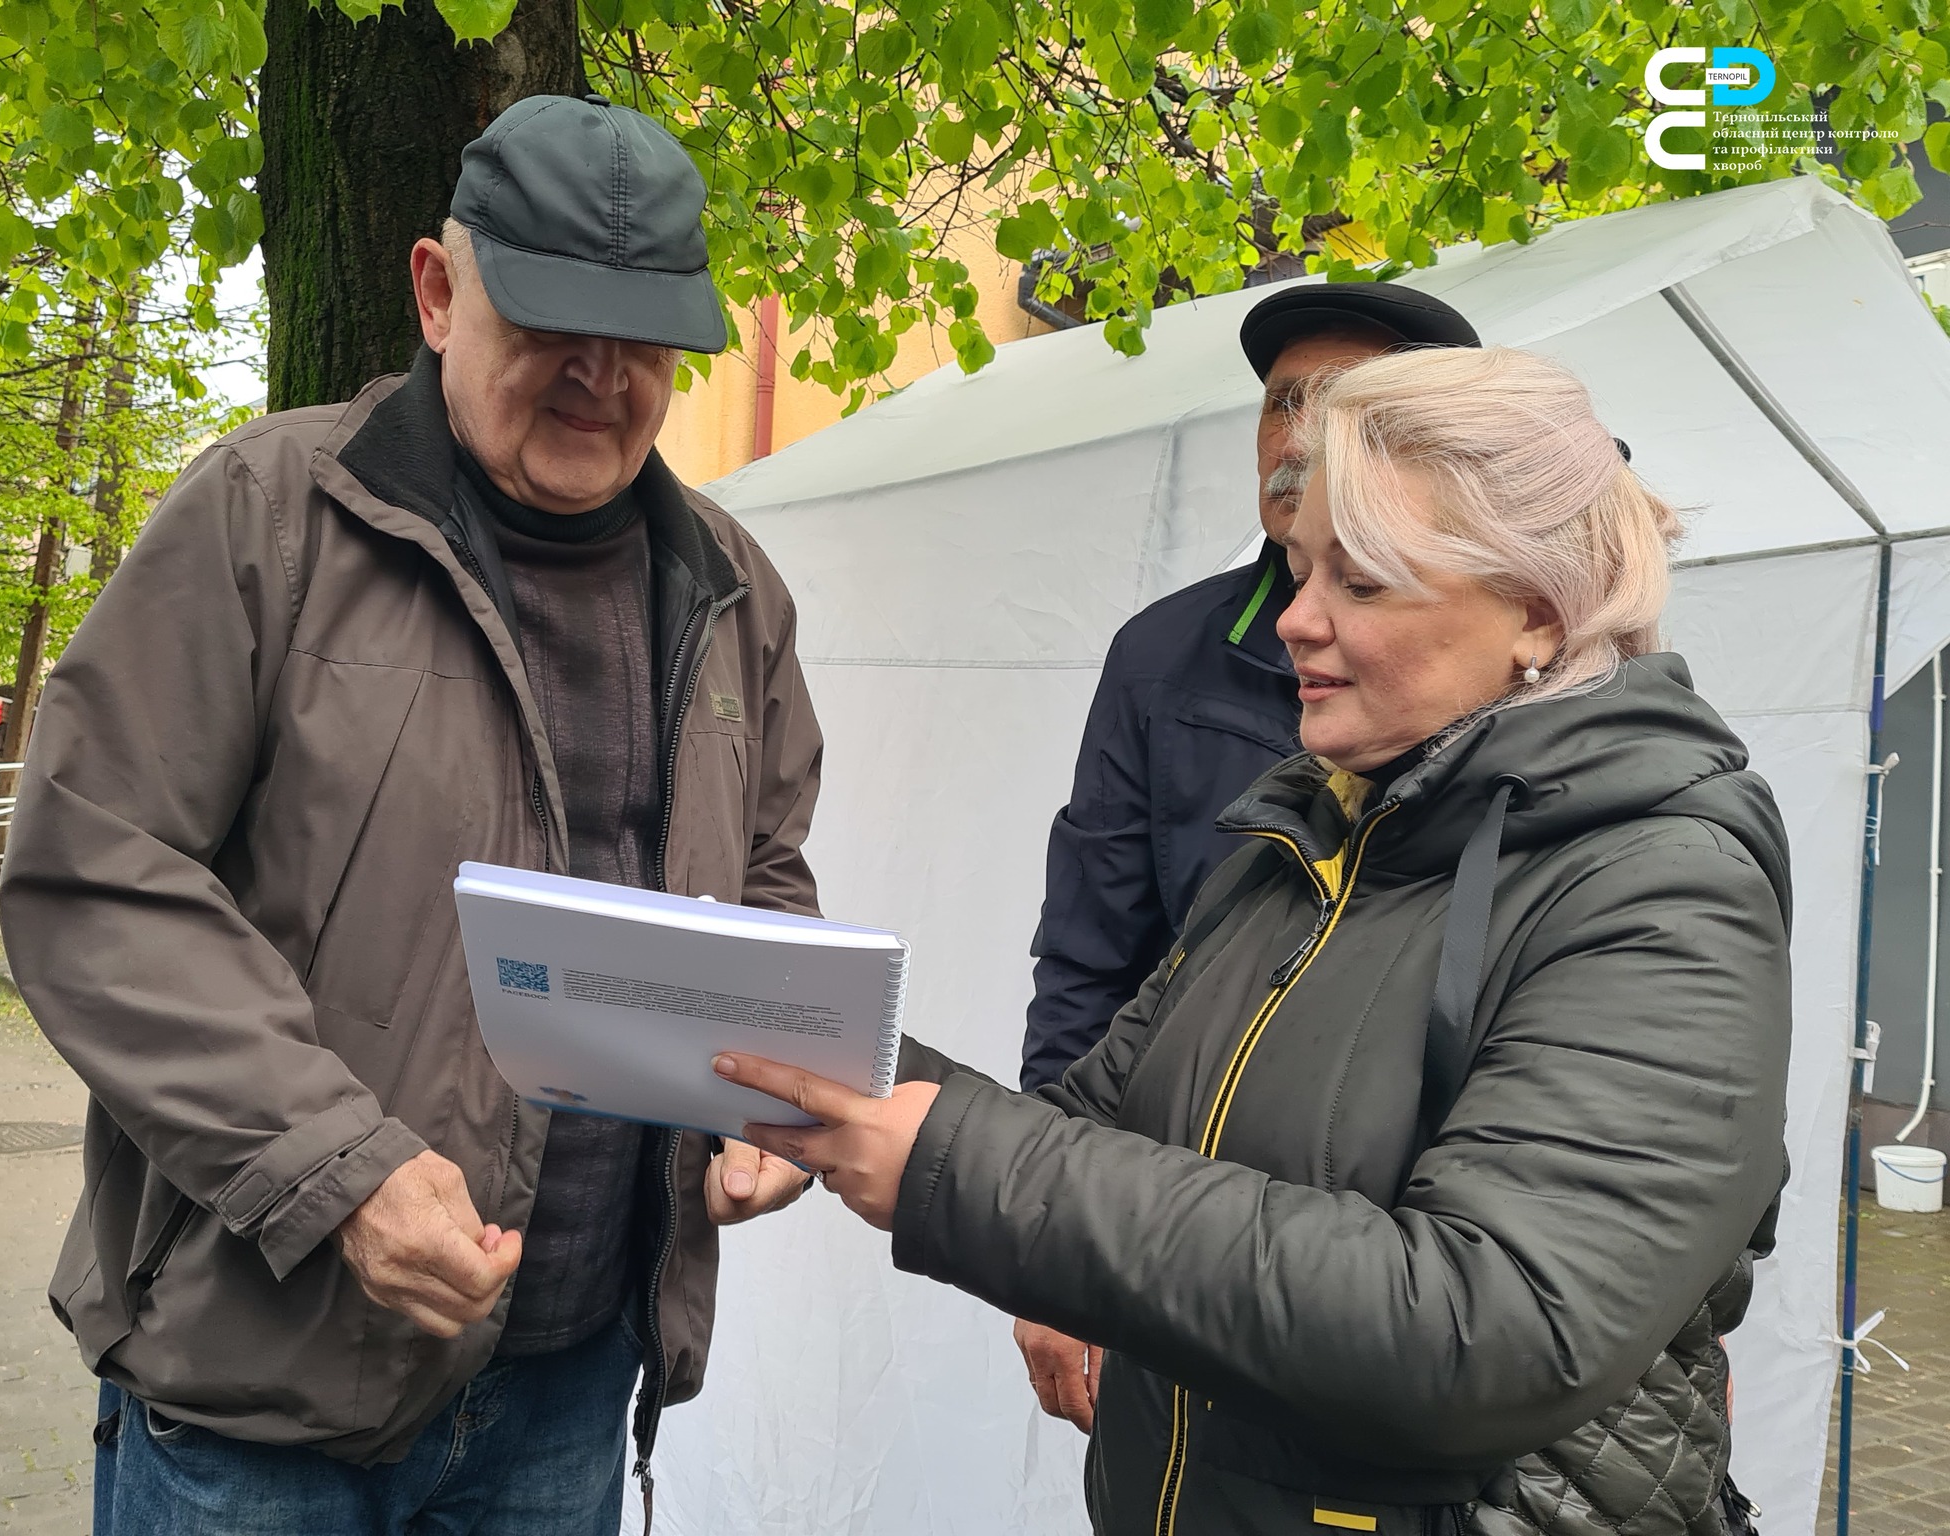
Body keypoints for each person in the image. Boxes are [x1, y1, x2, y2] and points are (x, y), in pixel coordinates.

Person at [717, 345, 1789, 1536]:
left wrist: (951, 1165)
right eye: (1300, 566)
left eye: (1362, 584)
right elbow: (1084, 1129)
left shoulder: (1659, 891)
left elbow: (1483, 1330)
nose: (1295, 620)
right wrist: (815, 1063)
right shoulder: (1306, 843)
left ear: (1534, 610)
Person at [0, 94, 822, 1535]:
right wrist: (341, 1172)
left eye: (641, 342)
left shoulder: (733, 589)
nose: (598, 376)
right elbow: (96, 872)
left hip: (568, 1388)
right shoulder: (264, 516)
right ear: (440, 293)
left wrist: (758, 1096)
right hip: (259, 1397)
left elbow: (761, 880)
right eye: (554, 324)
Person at [1015, 281, 1481, 1432]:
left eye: (1344, 406)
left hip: (1423, 1273)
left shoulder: (1495, 662)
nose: (1298, 438)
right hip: (1171, 1237)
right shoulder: (1161, 658)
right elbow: (1088, 961)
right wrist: (1045, 1247)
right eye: (1282, 404)